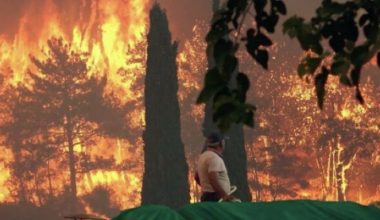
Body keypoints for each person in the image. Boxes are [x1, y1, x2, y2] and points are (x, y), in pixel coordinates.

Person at [196, 132, 235, 202]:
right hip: (216, 198)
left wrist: (207, 188)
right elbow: (212, 178)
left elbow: (196, 177)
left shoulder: (202, 156)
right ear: (221, 144)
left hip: (207, 196)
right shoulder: (214, 158)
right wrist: (224, 196)